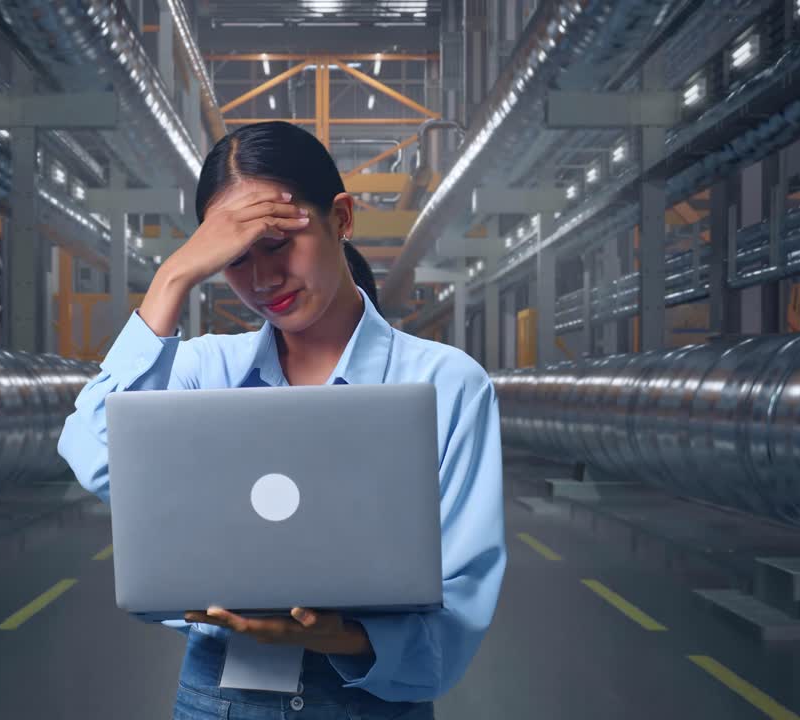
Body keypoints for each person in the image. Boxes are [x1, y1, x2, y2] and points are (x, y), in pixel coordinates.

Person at [58, 121, 506, 719]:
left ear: (340, 218)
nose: (263, 281)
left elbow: (460, 605)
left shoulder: (447, 384)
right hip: (220, 701)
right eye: (234, 259)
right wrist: (172, 278)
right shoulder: (204, 371)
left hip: (370, 704)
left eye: (276, 244)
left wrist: (341, 637)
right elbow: (93, 450)